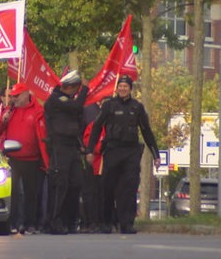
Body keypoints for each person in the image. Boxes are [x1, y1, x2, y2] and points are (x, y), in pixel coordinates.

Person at [85, 75, 160, 234]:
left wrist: (156, 155)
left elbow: (147, 132)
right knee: (108, 188)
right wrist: (90, 150)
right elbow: (96, 128)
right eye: (120, 86)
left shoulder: (137, 107)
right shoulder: (109, 105)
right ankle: (106, 223)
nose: (122, 89)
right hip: (112, 151)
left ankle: (127, 223)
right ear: (117, 88)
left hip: (131, 152)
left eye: (125, 86)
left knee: (129, 189)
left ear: (130, 89)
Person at [0, 83, 48, 235]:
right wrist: (3, 119)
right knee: (13, 193)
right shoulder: (9, 111)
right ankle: (14, 223)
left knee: (32, 193)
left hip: (32, 159)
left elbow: (42, 133)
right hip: (13, 159)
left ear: (26, 94)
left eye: (16, 96)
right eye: (12, 96)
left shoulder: (37, 111)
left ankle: (31, 223)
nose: (13, 99)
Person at [44, 70, 89, 234]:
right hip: (59, 146)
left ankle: (70, 221)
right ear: (71, 87)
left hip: (72, 147)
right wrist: (85, 89)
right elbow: (76, 107)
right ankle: (53, 221)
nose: (77, 93)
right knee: (60, 185)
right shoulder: (56, 100)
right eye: (76, 89)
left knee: (76, 184)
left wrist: (81, 144)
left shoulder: (68, 101)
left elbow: (75, 123)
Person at [80, 96, 110, 233]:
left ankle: (106, 221)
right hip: (96, 166)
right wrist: (99, 148)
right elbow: (88, 142)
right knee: (93, 194)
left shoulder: (112, 125)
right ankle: (92, 221)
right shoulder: (93, 125)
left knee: (106, 194)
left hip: (109, 166)